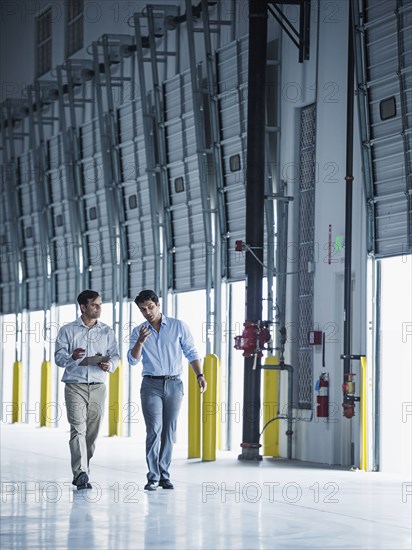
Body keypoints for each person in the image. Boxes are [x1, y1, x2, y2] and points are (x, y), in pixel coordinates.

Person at [128, 289, 207, 491]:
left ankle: (165, 475)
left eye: (150, 307)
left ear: (158, 304)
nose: (147, 312)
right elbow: (132, 360)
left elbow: (191, 352)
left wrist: (200, 375)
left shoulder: (178, 326)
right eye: (143, 309)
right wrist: (140, 341)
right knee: (154, 430)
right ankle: (153, 476)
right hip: (151, 384)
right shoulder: (139, 331)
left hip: (174, 383)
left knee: (169, 431)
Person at [55, 290, 120, 490]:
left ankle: (84, 468)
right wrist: (72, 357)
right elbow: (58, 358)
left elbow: (116, 357)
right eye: (95, 305)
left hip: (99, 386)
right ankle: (80, 472)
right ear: (83, 307)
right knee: (78, 429)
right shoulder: (67, 331)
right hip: (75, 385)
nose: (99, 308)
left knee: (91, 433)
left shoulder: (107, 331)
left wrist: (110, 366)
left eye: (100, 304)